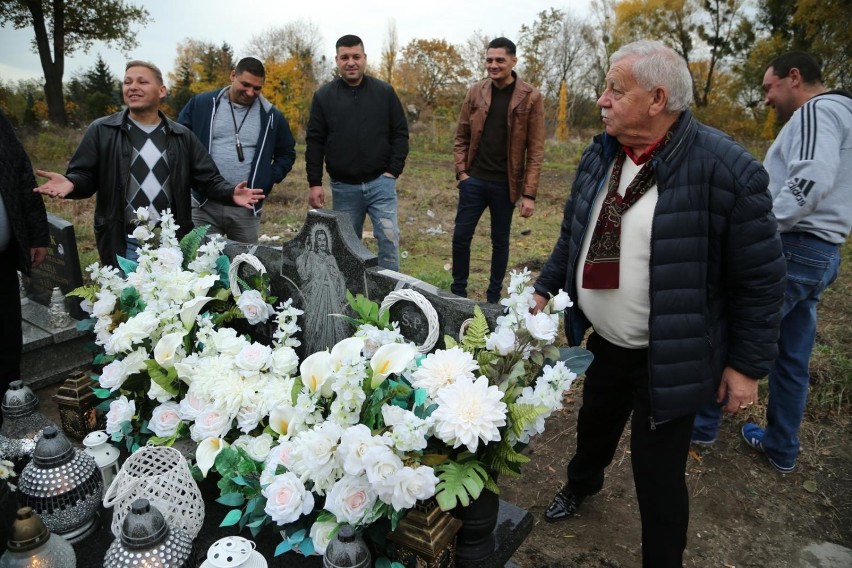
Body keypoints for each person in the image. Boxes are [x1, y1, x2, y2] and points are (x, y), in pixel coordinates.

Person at [532, 40, 785, 567]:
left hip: (668, 356)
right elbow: (574, 234)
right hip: (605, 342)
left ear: (656, 99)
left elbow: (760, 281)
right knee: (593, 429)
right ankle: (581, 486)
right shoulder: (603, 151)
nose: (601, 100)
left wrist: (745, 368)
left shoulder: (727, 171)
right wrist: (547, 285)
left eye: (614, 89)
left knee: (658, 475)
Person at [692, 52, 852, 472]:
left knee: (730, 325)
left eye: (768, 87)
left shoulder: (818, 111)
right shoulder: (846, 116)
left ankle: (702, 425)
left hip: (792, 247)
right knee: (793, 355)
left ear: (793, 78)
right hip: (824, 252)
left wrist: (761, 225)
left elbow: (812, 177)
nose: (766, 99)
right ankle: (781, 445)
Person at [34, 60, 265, 267]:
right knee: (129, 306)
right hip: (125, 240)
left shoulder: (181, 136)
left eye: (142, 82)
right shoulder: (103, 130)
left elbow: (208, 179)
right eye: (127, 82)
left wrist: (229, 193)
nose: (132, 87)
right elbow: (85, 176)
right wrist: (72, 183)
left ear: (162, 90)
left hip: (170, 240)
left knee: (168, 307)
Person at [451, 37, 544, 304]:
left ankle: (493, 296)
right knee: (460, 237)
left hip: (506, 185)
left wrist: (529, 194)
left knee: (500, 242)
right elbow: (461, 136)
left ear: (513, 61)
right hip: (474, 180)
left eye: (499, 60)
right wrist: (462, 173)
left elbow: (535, 150)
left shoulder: (531, 96)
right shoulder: (475, 92)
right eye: (489, 60)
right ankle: (458, 292)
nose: (493, 65)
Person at [305, 34, 409, 271]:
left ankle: (391, 297)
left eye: (356, 57)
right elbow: (315, 141)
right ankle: (351, 299)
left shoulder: (384, 92)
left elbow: (400, 133)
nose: (350, 62)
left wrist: (393, 170)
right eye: (345, 57)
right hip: (344, 188)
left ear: (364, 58)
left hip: (380, 184)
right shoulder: (324, 97)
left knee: (389, 241)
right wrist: (315, 182)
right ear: (337, 60)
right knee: (347, 248)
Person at [178, 57, 296, 242]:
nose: (250, 92)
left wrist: (267, 178)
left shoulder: (271, 116)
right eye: (245, 84)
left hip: (246, 209)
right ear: (233, 76)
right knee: (200, 265)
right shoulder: (202, 104)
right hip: (204, 203)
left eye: (257, 88)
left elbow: (287, 153)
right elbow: (179, 141)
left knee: (245, 266)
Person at [0, 108, 48, 398]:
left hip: (3, 259)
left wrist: (37, 235)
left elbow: (21, 174)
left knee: (7, 337)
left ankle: (11, 404)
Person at [296, 225, 348, 354]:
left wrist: (336, 276)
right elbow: (304, 274)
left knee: (330, 326)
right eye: (319, 239)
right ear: (315, 242)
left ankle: (331, 352)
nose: (322, 242)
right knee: (316, 326)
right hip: (315, 297)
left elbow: (339, 279)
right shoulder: (312, 255)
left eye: (324, 239)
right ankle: (313, 353)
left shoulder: (331, 258)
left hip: (330, 297)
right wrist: (306, 252)